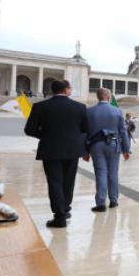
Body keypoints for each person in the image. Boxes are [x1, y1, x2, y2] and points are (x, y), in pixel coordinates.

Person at [24, 80, 88, 228]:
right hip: (72, 150)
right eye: (70, 88)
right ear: (66, 90)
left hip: (50, 149)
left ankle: (60, 216)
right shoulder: (80, 107)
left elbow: (29, 130)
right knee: (68, 182)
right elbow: (85, 129)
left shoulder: (40, 106)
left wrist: (46, 135)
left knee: (55, 182)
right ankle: (64, 210)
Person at [84, 88, 131, 212]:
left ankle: (100, 203)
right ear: (108, 97)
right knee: (113, 173)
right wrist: (126, 149)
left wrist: (85, 151)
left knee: (101, 173)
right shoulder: (117, 111)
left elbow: (86, 133)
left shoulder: (89, 111)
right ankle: (113, 201)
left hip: (96, 145)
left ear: (98, 97)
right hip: (113, 145)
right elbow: (123, 131)